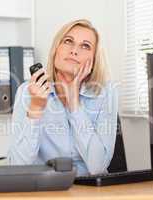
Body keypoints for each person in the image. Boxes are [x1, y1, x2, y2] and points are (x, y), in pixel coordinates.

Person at [7, 19, 118, 176]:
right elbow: (18, 167)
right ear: (55, 50)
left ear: (93, 60)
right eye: (68, 41)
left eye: (85, 46)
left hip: (89, 190)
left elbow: (98, 168)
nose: (74, 51)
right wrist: (36, 108)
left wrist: (74, 104)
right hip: (46, 189)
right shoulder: (28, 91)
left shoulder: (106, 93)